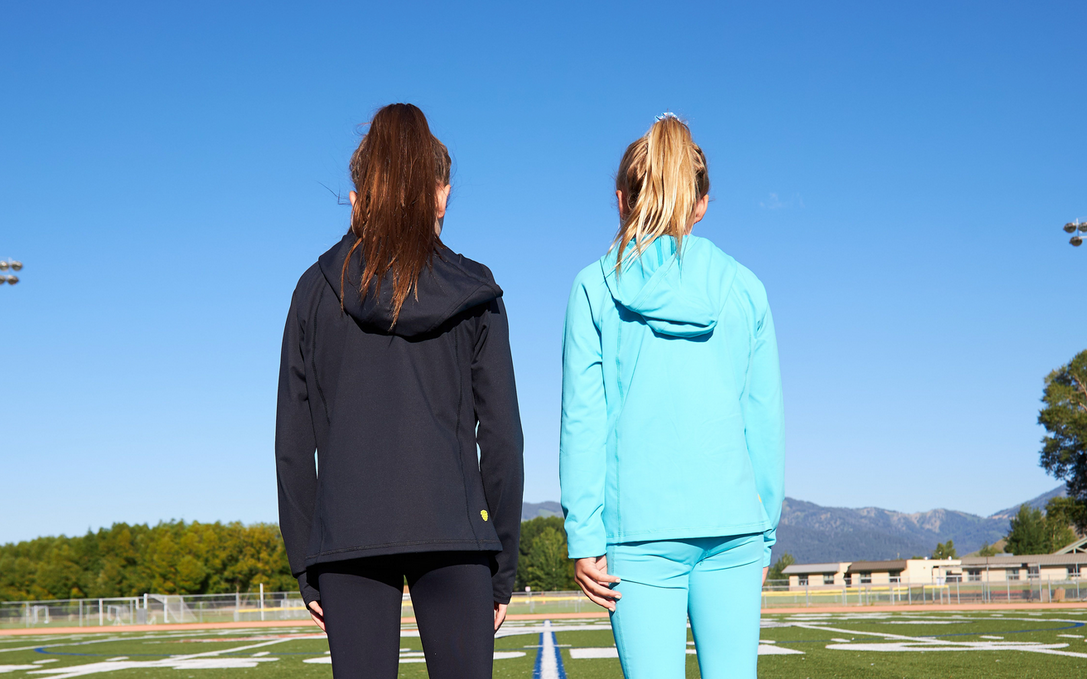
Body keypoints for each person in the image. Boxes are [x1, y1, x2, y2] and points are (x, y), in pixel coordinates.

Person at [275, 103, 524, 679]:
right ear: (441, 195)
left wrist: (306, 564)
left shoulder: (314, 290)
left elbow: (293, 443)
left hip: (348, 538)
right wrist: (502, 564)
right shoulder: (475, 290)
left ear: (360, 195)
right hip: (456, 533)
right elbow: (502, 439)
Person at [559, 114, 784, 678]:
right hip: (735, 527)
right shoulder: (746, 288)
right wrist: (765, 533)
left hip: (638, 532)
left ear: (620, 200)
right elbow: (764, 421)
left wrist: (584, 534)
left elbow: (583, 420)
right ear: (701, 204)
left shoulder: (593, 287)